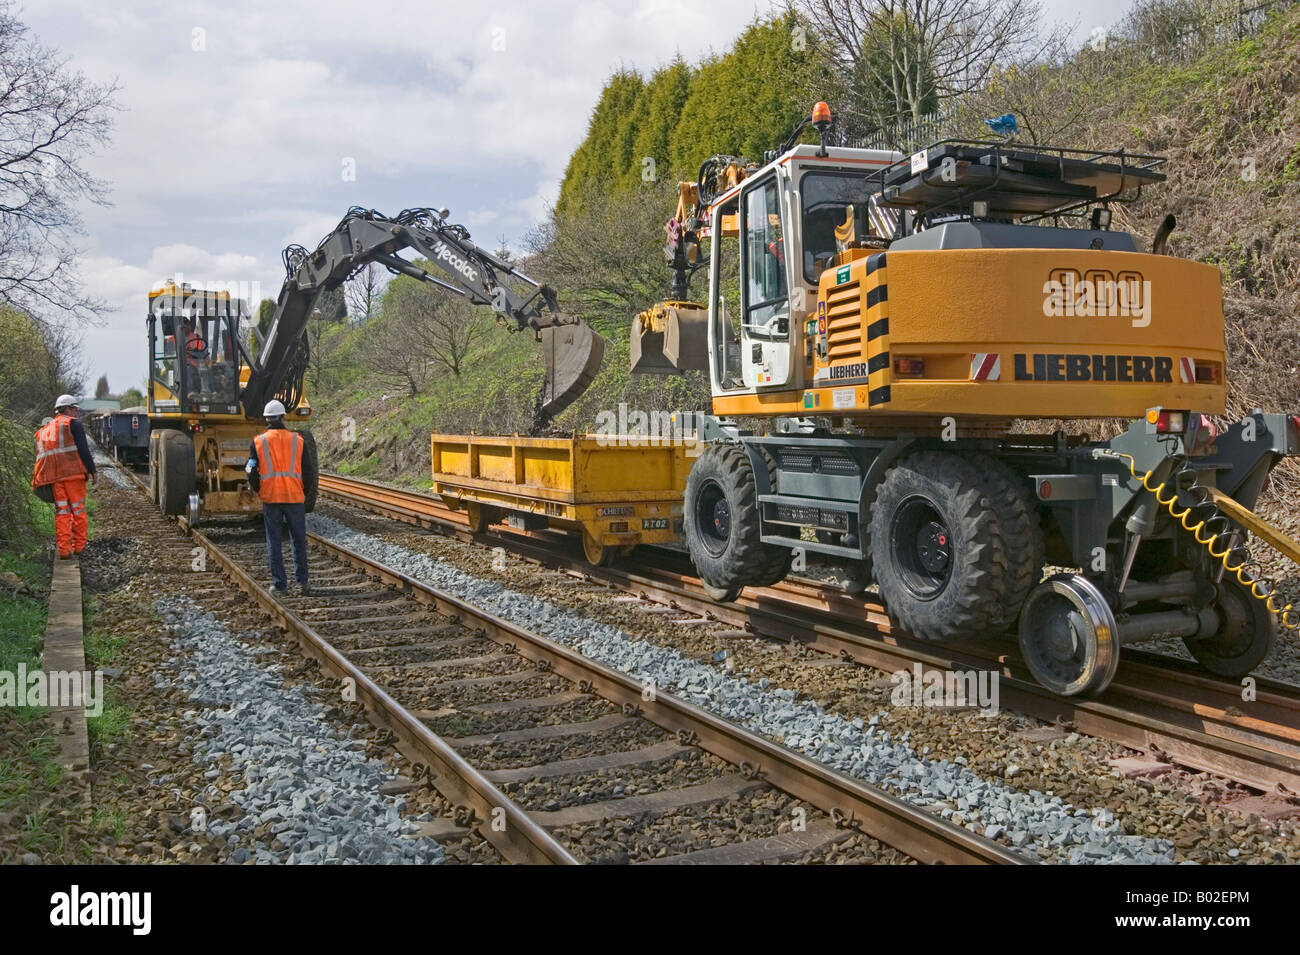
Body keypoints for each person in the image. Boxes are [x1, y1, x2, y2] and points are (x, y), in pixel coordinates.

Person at [245, 399, 313, 595]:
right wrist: (303, 491)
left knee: (274, 542)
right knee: (299, 540)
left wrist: (259, 489)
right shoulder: (298, 440)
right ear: (283, 417)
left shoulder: (258, 442)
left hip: (271, 499)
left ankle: (279, 584)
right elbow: (308, 472)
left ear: (266, 419)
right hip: (295, 498)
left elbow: (250, 470)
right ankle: (303, 583)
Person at [32, 395, 97, 559]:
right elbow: (83, 449)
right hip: (73, 476)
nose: (76, 412)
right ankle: (79, 547)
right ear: (68, 409)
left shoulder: (45, 430)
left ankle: (64, 550)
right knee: (78, 511)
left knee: (62, 512)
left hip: (55, 479)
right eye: (75, 409)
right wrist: (92, 470)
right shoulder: (72, 424)